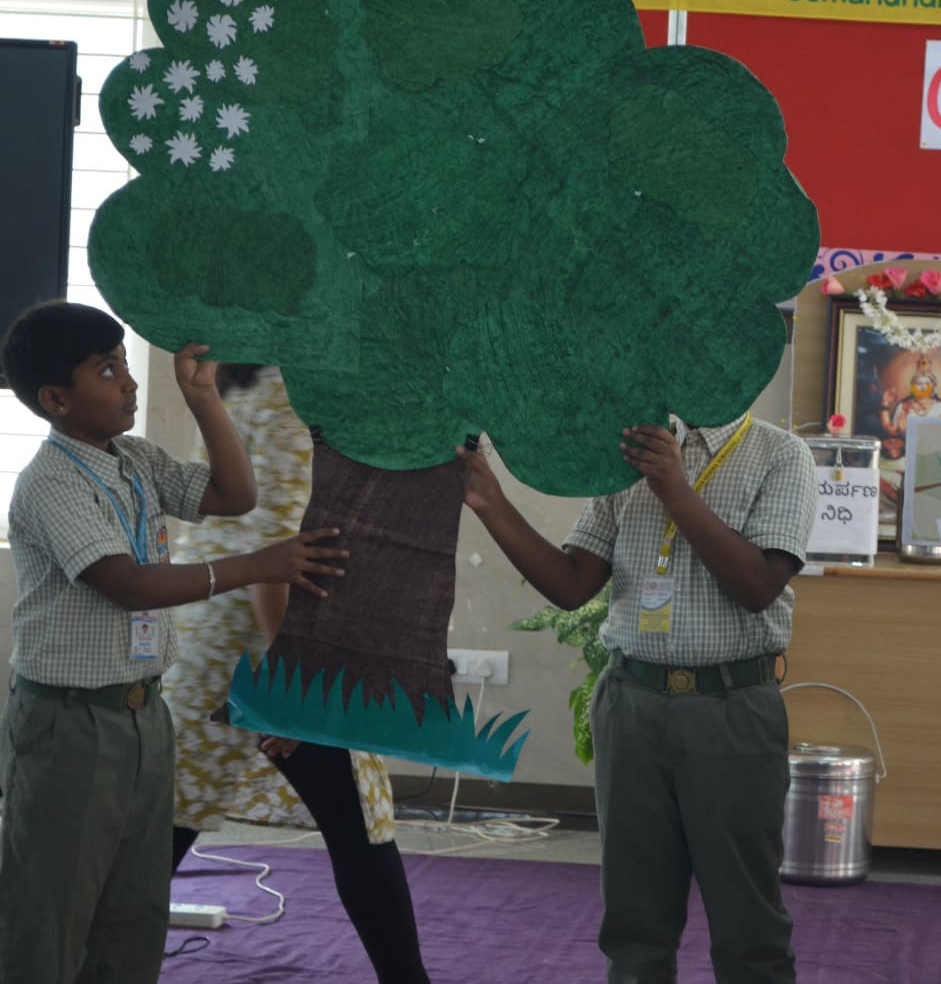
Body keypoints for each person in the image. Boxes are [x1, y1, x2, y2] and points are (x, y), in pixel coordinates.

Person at [0, 302, 347, 984]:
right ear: (56, 399)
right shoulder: (48, 482)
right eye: (107, 370)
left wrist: (202, 396)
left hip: (142, 716)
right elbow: (127, 583)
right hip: (71, 725)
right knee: (53, 918)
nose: (128, 382)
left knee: (132, 917)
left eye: (125, 364)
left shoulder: (134, 460)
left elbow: (235, 493)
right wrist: (258, 565)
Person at [457, 408, 817, 982]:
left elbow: (758, 586)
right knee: (633, 928)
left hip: (731, 712)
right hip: (631, 706)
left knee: (749, 930)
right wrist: (491, 504)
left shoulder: (780, 454)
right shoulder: (630, 453)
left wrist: (674, 489)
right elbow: (573, 584)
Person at [164, 364, 429, 983]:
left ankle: (92, 963)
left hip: (212, 641)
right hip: (262, 649)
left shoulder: (251, 382)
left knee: (169, 817)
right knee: (359, 821)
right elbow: (281, 551)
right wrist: (294, 693)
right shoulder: (291, 394)